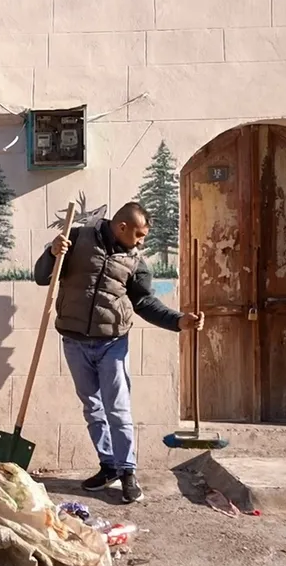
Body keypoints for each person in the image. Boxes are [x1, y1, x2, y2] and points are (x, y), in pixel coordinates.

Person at [34, 202, 204, 504]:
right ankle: (108, 465)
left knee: (118, 410)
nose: (141, 242)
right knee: (93, 407)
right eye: (138, 235)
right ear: (122, 227)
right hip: (73, 341)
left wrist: (179, 321)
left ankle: (127, 472)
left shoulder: (136, 262)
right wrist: (51, 253)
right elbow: (42, 277)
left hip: (112, 343)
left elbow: (145, 304)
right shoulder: (76, 239)